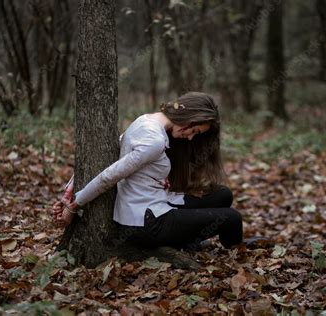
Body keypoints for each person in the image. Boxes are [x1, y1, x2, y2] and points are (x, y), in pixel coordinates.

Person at [52, 91, 242, 250]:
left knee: (222, 195)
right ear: (190, 118)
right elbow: (108, 176)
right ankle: (234, 253)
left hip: (153, 205)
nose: (191, 138)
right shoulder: (154, 141)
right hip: (146, 223)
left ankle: (188, 242)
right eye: (194, 131)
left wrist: (68, 193)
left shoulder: (144, 121)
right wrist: (74, 205)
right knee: (232, 218)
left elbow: (104, 157)